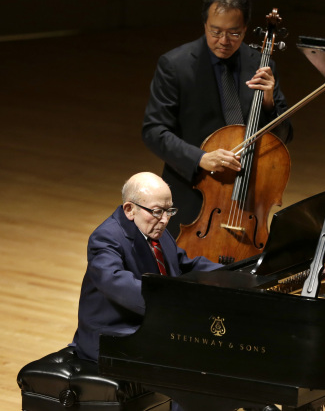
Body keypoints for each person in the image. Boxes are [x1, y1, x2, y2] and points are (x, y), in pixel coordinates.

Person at [70, 172, 277, 410]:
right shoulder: (106, 239)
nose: (165, 219)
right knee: (190, 363)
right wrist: (174, 307)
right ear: (129, 209)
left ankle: (253, 401)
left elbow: (186, 264)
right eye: (158, 211)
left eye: (169, 211)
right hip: (114, 335)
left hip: (151, 324)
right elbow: (117, 283)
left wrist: (244, 275)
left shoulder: (154, 229)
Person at [142, 0, 292, 239]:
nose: (223, 41)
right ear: (205, 25)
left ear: (245, 29)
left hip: (246, 200)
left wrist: (268, 100)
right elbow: (154, 131)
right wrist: (200, 157)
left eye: (234, 33)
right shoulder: (175, 66)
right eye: (216, 31)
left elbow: (284, 136)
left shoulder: (261, 65)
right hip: (193, 196)